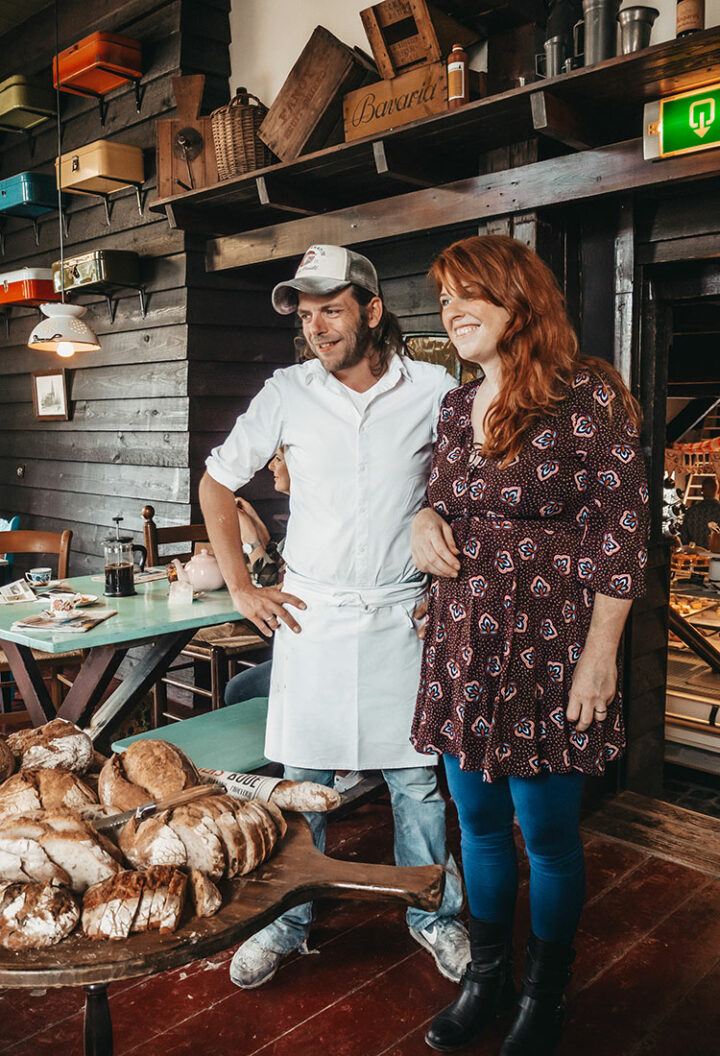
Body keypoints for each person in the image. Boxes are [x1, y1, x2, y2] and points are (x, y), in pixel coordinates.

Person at [199, 243, 468, 990]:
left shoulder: (435, 388)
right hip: (311, 619)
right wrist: (240, 589)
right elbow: (216, 486)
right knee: (303, 782)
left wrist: (444, 586)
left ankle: (434, 915)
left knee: (417, 785)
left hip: (401, 616)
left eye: (331, 310)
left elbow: (463, 494)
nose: (315, 327)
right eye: (306, 314)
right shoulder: (287, 391)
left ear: (372, 310)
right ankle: (286, 922)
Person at [409, 235, 649, 1055]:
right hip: (462, 647)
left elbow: (621, 536)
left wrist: (600, 657)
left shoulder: (587, 395)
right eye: (444, 298)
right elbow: (440, 502)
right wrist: (423, 519)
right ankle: (487, 980)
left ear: (518, 299)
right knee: (475, 824)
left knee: (546, 836)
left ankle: (544, 996)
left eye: (467, 292)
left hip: (552, 649)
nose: (452, 310)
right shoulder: (454, 405)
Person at [225, 448, 289, 705]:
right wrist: (258, 531)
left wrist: (251, 540)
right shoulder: (306, 512)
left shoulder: (313, 519)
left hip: (312, 651)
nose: (271, 467)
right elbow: (282, 570)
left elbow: (275, 587)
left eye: (278, 459)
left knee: (237, 691)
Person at [679, 476, 720, 547]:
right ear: (718, 491)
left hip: (695, 553)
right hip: (716, 553)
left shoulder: (691, 511)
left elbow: (684, 538)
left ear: (702, 491)